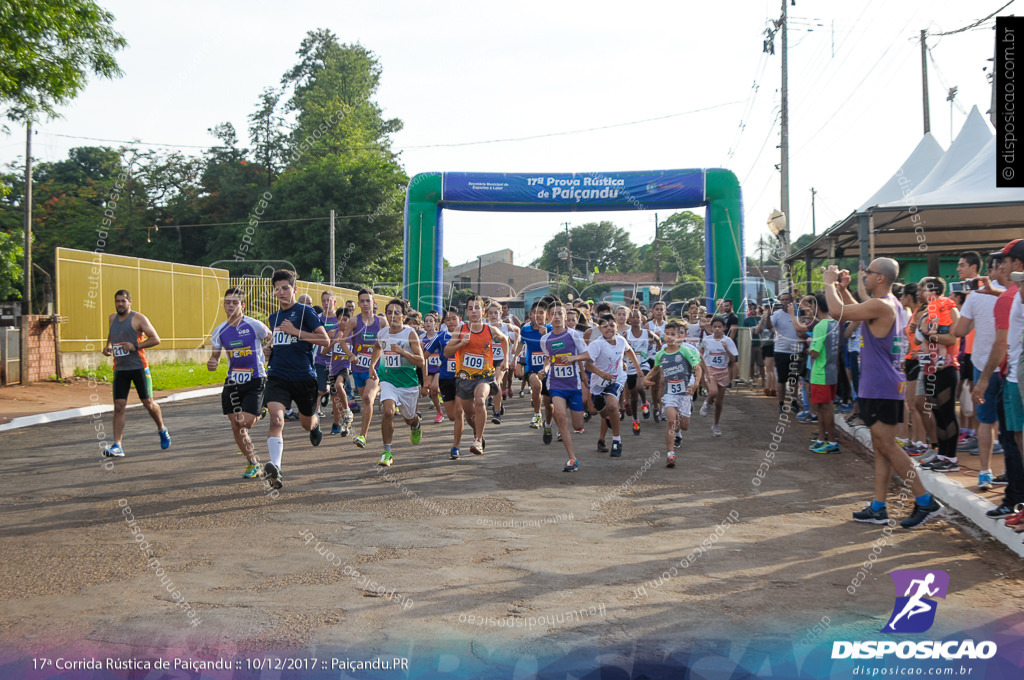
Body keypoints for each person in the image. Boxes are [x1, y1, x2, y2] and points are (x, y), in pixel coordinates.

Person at [823, 260, 943, 529]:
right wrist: (842, 289)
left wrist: (829, 283)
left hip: (881, 386)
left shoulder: (882, 305)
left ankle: (925, 501)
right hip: (881, 385)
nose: (863, 276)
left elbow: (837, 312)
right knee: (881, 448)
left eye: (868, 273)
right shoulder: (889, 304)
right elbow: (856, 309)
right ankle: (879, 507)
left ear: (880, 278)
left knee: (887, 446)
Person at [262, 270, 330, 489]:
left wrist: (296, 331)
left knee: (306, 423)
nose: (281, 292)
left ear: (294, 289)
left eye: (285, 288)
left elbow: (324, 340)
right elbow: (280, 343)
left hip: (303, 377)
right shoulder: (274, 317)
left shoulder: (305, 312)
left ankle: (315, 426)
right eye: (277, 289)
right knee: (276, 420)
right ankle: (277, 469)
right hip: (278, 376)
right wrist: (269, 350)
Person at [207, 287, 270, 478]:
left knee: (245, 422)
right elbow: (215, 356)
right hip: (233, 381)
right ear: (224, 305)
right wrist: (213, 362)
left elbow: (272, 338)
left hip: (255, 378)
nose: (231, 305)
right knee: (235, 424)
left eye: (235, 302)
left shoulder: (254, 325)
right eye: (228, 302)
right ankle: (253, 462)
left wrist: (268, 348)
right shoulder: (220, 331)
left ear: (242, 305)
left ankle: (262, 408)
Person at [101, 289, 170, 457]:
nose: (120, 304)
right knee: (118, 407)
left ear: (130, 302)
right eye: (117, 301)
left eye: (123, 301)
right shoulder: (112, 318)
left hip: (139, 367)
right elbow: (112, 333)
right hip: (120, 369)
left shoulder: (139, 319)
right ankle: (117, 445)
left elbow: (155, 339)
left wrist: (135, 346)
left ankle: (162, 428)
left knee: (148, 403)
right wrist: (108, 345)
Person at [953, 256, 1002, 488]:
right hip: (1009, 366)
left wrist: (963, 310)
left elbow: (960, 330)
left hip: (983, 366)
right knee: (1014, 424)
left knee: (985, 421)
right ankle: (1015, 473)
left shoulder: (976, 297)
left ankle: (985, 472)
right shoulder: (1015, 294)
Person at [445, 295, 510, 455]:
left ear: (483, 311)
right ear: (466, 311)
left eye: (477, 308)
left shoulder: (490, 329)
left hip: (485, 376)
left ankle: (478, 441)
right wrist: (461, 343)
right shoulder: (461, 329)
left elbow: (505, 339)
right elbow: (447, 352)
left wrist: (506, 360)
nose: (474, 311)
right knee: (469, 414)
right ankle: (477, 431)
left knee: (480, 401)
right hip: (464, 378)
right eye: (470, 308)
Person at [367, 298, 425, 467]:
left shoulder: (409, 334)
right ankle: (387, 451)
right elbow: (378, 347)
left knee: (409, 418)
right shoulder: (382, 333)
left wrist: (403, 352)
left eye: (397, 313)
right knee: (388, 412)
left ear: (404, 316)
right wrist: (372, 365)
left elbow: (420, 361)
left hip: (408, 384)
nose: (392, 316)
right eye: (389, 312)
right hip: (388, 380)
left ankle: (415, 424)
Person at [915, 278, 962, 473]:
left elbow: (952, 337)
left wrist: (928, 335)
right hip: (929, 369)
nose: (921, 292)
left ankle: (951, 457)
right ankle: (942, 454)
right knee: (937, 413)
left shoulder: (951, 310)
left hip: (947, 369)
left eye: (924, 288)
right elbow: (918, 339)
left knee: (947, 413)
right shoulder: (926, 312)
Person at [644, 321, 703, 467]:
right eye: (667, 334)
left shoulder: (686, 351)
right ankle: (670, 454)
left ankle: (679, 432)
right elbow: (656, 369)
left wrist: (696, 384)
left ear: (680, 336)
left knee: (684, 425)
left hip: (684, 393)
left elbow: (698, 368)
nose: (670, 338)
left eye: (673, 335)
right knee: (671, 420)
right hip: (669, 393)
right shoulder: (661, 354)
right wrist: (646, 378)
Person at [540, 301, 590, 471]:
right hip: (556, 383)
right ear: (549, 317)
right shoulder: (545, 339)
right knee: (560, 415)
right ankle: (572, 458)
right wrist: (545, 370)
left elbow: (586, 354)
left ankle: (577, 415)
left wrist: (574, 359)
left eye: (560, 314)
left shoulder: (574, 335)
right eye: (553, 314)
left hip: (573, 384)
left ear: (565, 316)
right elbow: (548, 358)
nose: (557, 317)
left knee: (578, 426)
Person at [585, 314, 642, 458]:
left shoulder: (621, 340)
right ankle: (609, 423)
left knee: (612, 406)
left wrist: (638, 368)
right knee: (596, 410)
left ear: (617, 326)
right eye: (605, 326)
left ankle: (616, 440)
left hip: (616, 377)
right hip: (598, 381)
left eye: (612, 325)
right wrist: (600, 373)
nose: (609, 328)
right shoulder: (596, 343)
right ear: (600, 328)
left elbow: (629, 351)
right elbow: (588, 364)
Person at [343, 288, 384, 449]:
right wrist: (350, 355)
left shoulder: (381, 322)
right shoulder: (354, 321)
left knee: (367, 398)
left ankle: (363, 435)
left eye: (369, 300)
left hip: (375, 368)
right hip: (358, 368)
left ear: (373, 302)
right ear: (358, 303)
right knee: (365, 398)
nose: (366, 304)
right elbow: (342, 341)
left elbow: (387, 341)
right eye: (363, 301)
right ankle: (376, 393)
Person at [424, 307, 464, 459]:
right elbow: (424, 356)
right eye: (448, 319)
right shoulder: (440, 336)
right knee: (453, 416)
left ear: (460, 318)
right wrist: (425, 378)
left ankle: (456, 447)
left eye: (454, 318)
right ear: (444, 322)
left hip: (464, 378)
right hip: (446, 379)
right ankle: (475, 429)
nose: (451, 321)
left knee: (460, 412)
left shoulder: (467, 334)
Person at [808, 293, 841, 453]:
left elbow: (815, 352)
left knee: (825, 408)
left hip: (820, 373)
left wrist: (808, 347)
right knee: (823, 407)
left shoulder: (820, 326)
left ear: (817, 307)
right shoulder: (834, 323)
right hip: (830, 371)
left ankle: (832, 441)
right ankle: (822, 439)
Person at [699, 316, 738, 437]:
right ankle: (707, 402)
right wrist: (702, 366)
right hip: (710, 369)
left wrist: (726, 349)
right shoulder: (707, 340)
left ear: (724, 328)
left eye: (719, 327)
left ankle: (716, 424)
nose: (717, 329)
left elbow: (733, 359)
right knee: (713, 391)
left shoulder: (728, 341)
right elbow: (699, 353)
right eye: (714, 327)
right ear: (711, 328)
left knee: (719, 403)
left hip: (723, 370)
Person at [520, 301, 553, 432]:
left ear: (547, 315)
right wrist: (514, 361)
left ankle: (548, 425)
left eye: (541, 313)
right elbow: (521, 344)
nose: (538, 315)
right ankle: (537, 415)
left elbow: (552, 351)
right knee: (536, 385)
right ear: (530, 315)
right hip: (531, 368)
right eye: (535, 312)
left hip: (549, 370)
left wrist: (545, 336)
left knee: (549, 405)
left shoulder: (551, 329)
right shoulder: (525, 330)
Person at [624, 308, 658, 434]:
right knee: (633, 396)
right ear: (629, 319)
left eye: (637, 317)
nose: (635, 319)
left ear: (642, 319)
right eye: (632, 317)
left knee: (639, 386)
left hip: (643, 364)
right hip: (630, 367)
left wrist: (658, 355)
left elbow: (658, 340)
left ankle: (644, 403)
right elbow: (620, 347)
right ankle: (635, 419)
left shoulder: (646, 332)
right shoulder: (626, 335)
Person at [327, 307, 354, 436]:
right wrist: (333, 342)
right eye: (340, 319)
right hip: (333, 368)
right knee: (335, 399)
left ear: (349, 320)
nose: (342, 322)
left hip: (345, 366)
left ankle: (347, 411)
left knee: (339, 385)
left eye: (345, 319)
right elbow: (323, 352)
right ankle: (338, 423)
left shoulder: (353, 334)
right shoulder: (332, 333)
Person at [421, 312, 446, 424]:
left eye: (431, 321)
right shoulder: (422, 338)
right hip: (428, 368)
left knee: (435, 387)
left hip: (439, 367)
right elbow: (421, 357)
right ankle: (439, 413)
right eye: (426, 321)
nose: (428, 323)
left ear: (436, 324)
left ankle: (444, 394)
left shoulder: (440, 335)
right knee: (432, 392)